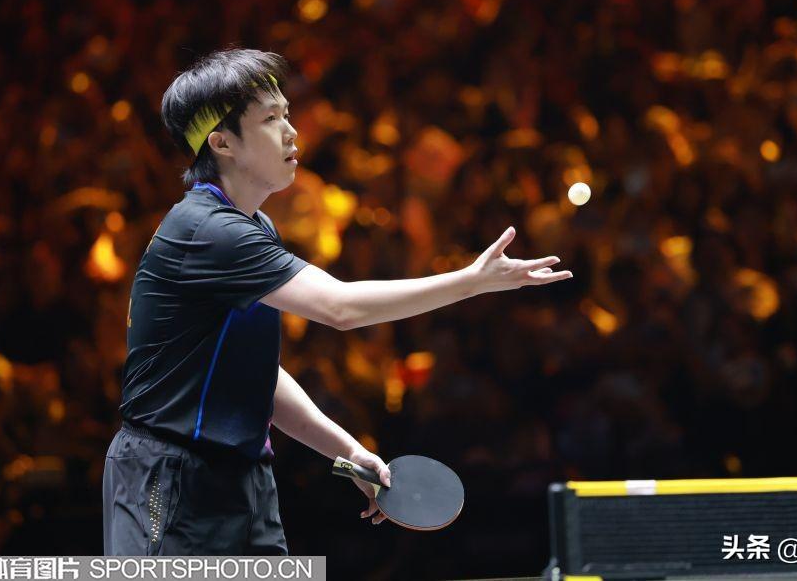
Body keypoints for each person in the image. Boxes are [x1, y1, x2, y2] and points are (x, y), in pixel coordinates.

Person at [102, 47, 573, 555]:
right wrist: (471, 281)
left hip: (244, 477)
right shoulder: (208, 231)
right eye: (271, 119)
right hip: (171, 476)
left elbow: (257, 373)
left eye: (287, 114)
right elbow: (341, 308)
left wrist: (347, 450)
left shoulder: (253, 227)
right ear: (222, 142)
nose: (292, 132)